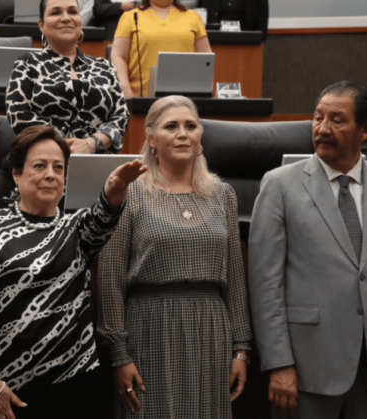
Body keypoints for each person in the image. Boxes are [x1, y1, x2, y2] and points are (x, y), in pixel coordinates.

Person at [0, 125, 146, 419]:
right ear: (16, 174)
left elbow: (103, 216)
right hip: (3, 387)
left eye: (58, 167)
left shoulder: (76, 228)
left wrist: (116, 187)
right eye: (39, 166)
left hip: (72, 384)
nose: (51, 175)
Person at [248, 81, 367, 419]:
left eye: (337, 120)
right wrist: (279, 363)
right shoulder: (279, 185)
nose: (322, 129)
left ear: (365, 129)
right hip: (307, 367)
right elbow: (265, 285)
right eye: (318, 118)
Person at [98, 95, 252, 418]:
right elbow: (110, 277)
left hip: (210, 329)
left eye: (190, 126)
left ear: (200, 135)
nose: (183, 134)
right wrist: (119, 354)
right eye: (171, 126)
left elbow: (235, 278)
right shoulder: (130, 191)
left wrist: (241, 348)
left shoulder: (223, 194)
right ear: (151, 137)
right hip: (149, 327)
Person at [6, 0, 130, 155]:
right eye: (55, 12)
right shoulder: (27, 63)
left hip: (95, 161)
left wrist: (91, 143)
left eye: (72, 12)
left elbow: (121, 116)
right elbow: (18, 114)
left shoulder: (105, 67)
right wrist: (61, 144)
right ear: (41, 25)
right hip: (45, 159)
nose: (66, 18)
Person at [111, 0, 212, 98]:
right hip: (140, 98)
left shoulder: (193, 16)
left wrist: (204, 92)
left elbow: (206, 58)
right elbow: (118, 56)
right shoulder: (130, 17)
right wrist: (125, 90)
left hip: (185, 100)